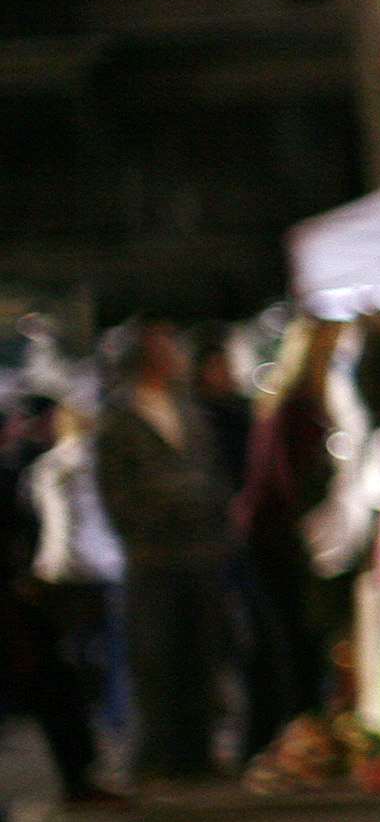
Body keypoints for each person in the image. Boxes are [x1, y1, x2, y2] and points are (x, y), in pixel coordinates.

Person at [93, 324, 230, 783]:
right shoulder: (118, 418)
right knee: (155, 658)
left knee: (199, 654)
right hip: (153, 556)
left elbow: (209, 471)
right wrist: (141, 529)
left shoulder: (188, 411)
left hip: (199, 553)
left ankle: (196, 753)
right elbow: (116, 491)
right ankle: (157, 756)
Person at [232, 319, 340, 748]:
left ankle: (277, 736)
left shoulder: (281, 403)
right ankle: (288, 735)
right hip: (275, 536)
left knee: (279, 639)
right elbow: (288, 480)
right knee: (288, 638)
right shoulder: (297, 407)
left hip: (270, 532)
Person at [4, 391, 109, 802]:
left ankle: (80, 779)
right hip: (21, 601)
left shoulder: (27, 466)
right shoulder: (22, 468)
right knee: (55, 685)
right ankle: (78, 779)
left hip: (25, 598)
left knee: (57, 685)